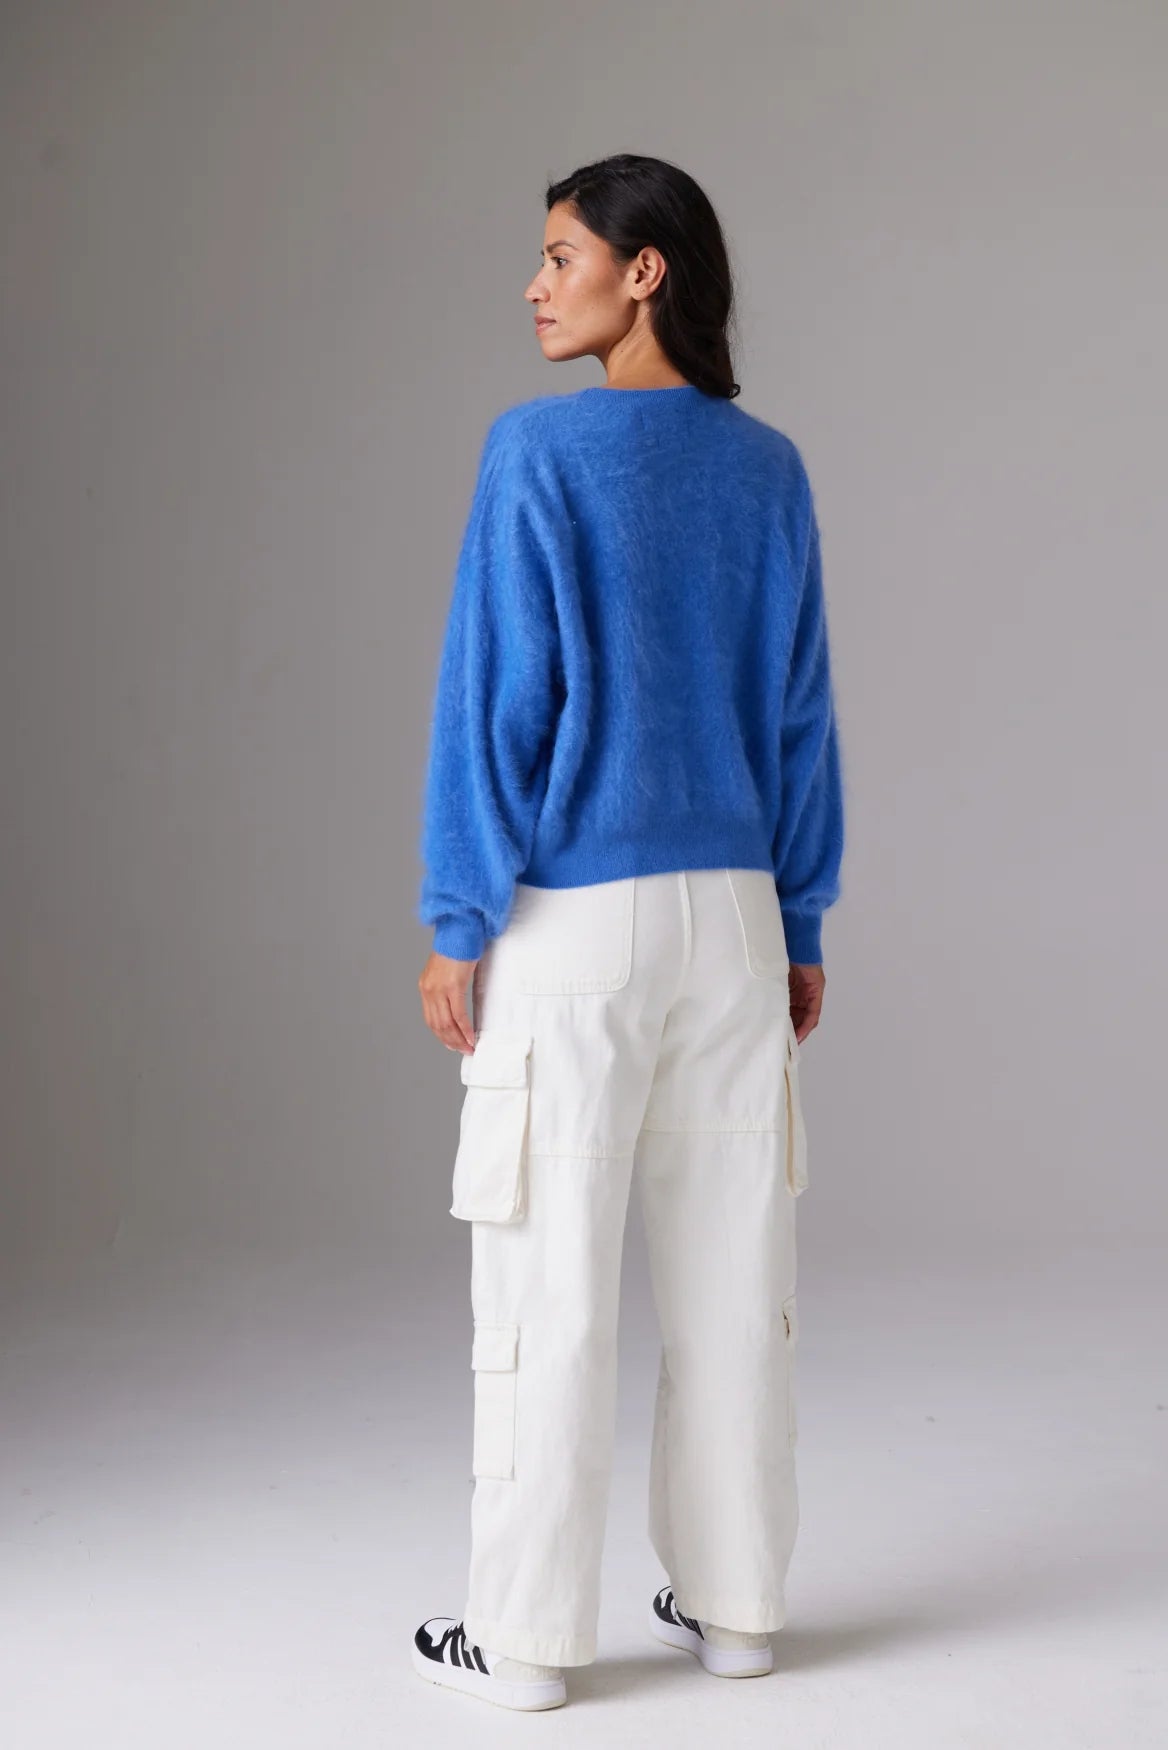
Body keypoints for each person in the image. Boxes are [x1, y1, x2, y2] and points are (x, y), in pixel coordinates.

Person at [411, 152, 846, 1713]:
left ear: (642, 270)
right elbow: (797, 714)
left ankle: (527, 1642)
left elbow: (496, 701)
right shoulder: (769, 470)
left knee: (551, 1289)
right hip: (734, 921)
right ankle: (738, 1613)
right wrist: (800, 914)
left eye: (560, 255)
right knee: (734, 1280)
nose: (536, 285)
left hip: (571, 925)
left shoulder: (536, 452)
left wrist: (458, 913)